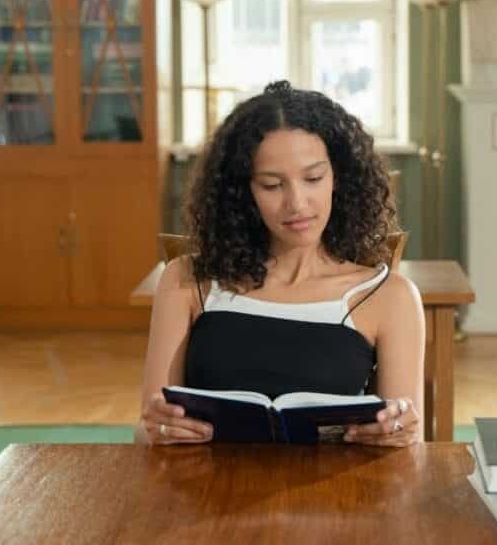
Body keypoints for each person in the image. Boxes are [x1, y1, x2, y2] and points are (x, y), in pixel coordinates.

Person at [137, 80, 425, 447]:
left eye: (313, 178)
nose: (297, 203)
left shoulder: (389, 296)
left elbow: (411, 445)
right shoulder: (188, 280)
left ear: (339, 178)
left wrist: (399, 433)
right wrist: (158, 430)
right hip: (208, 497)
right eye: (272, 185)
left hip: (337, 498)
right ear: (242, 192)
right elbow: (144, 432)